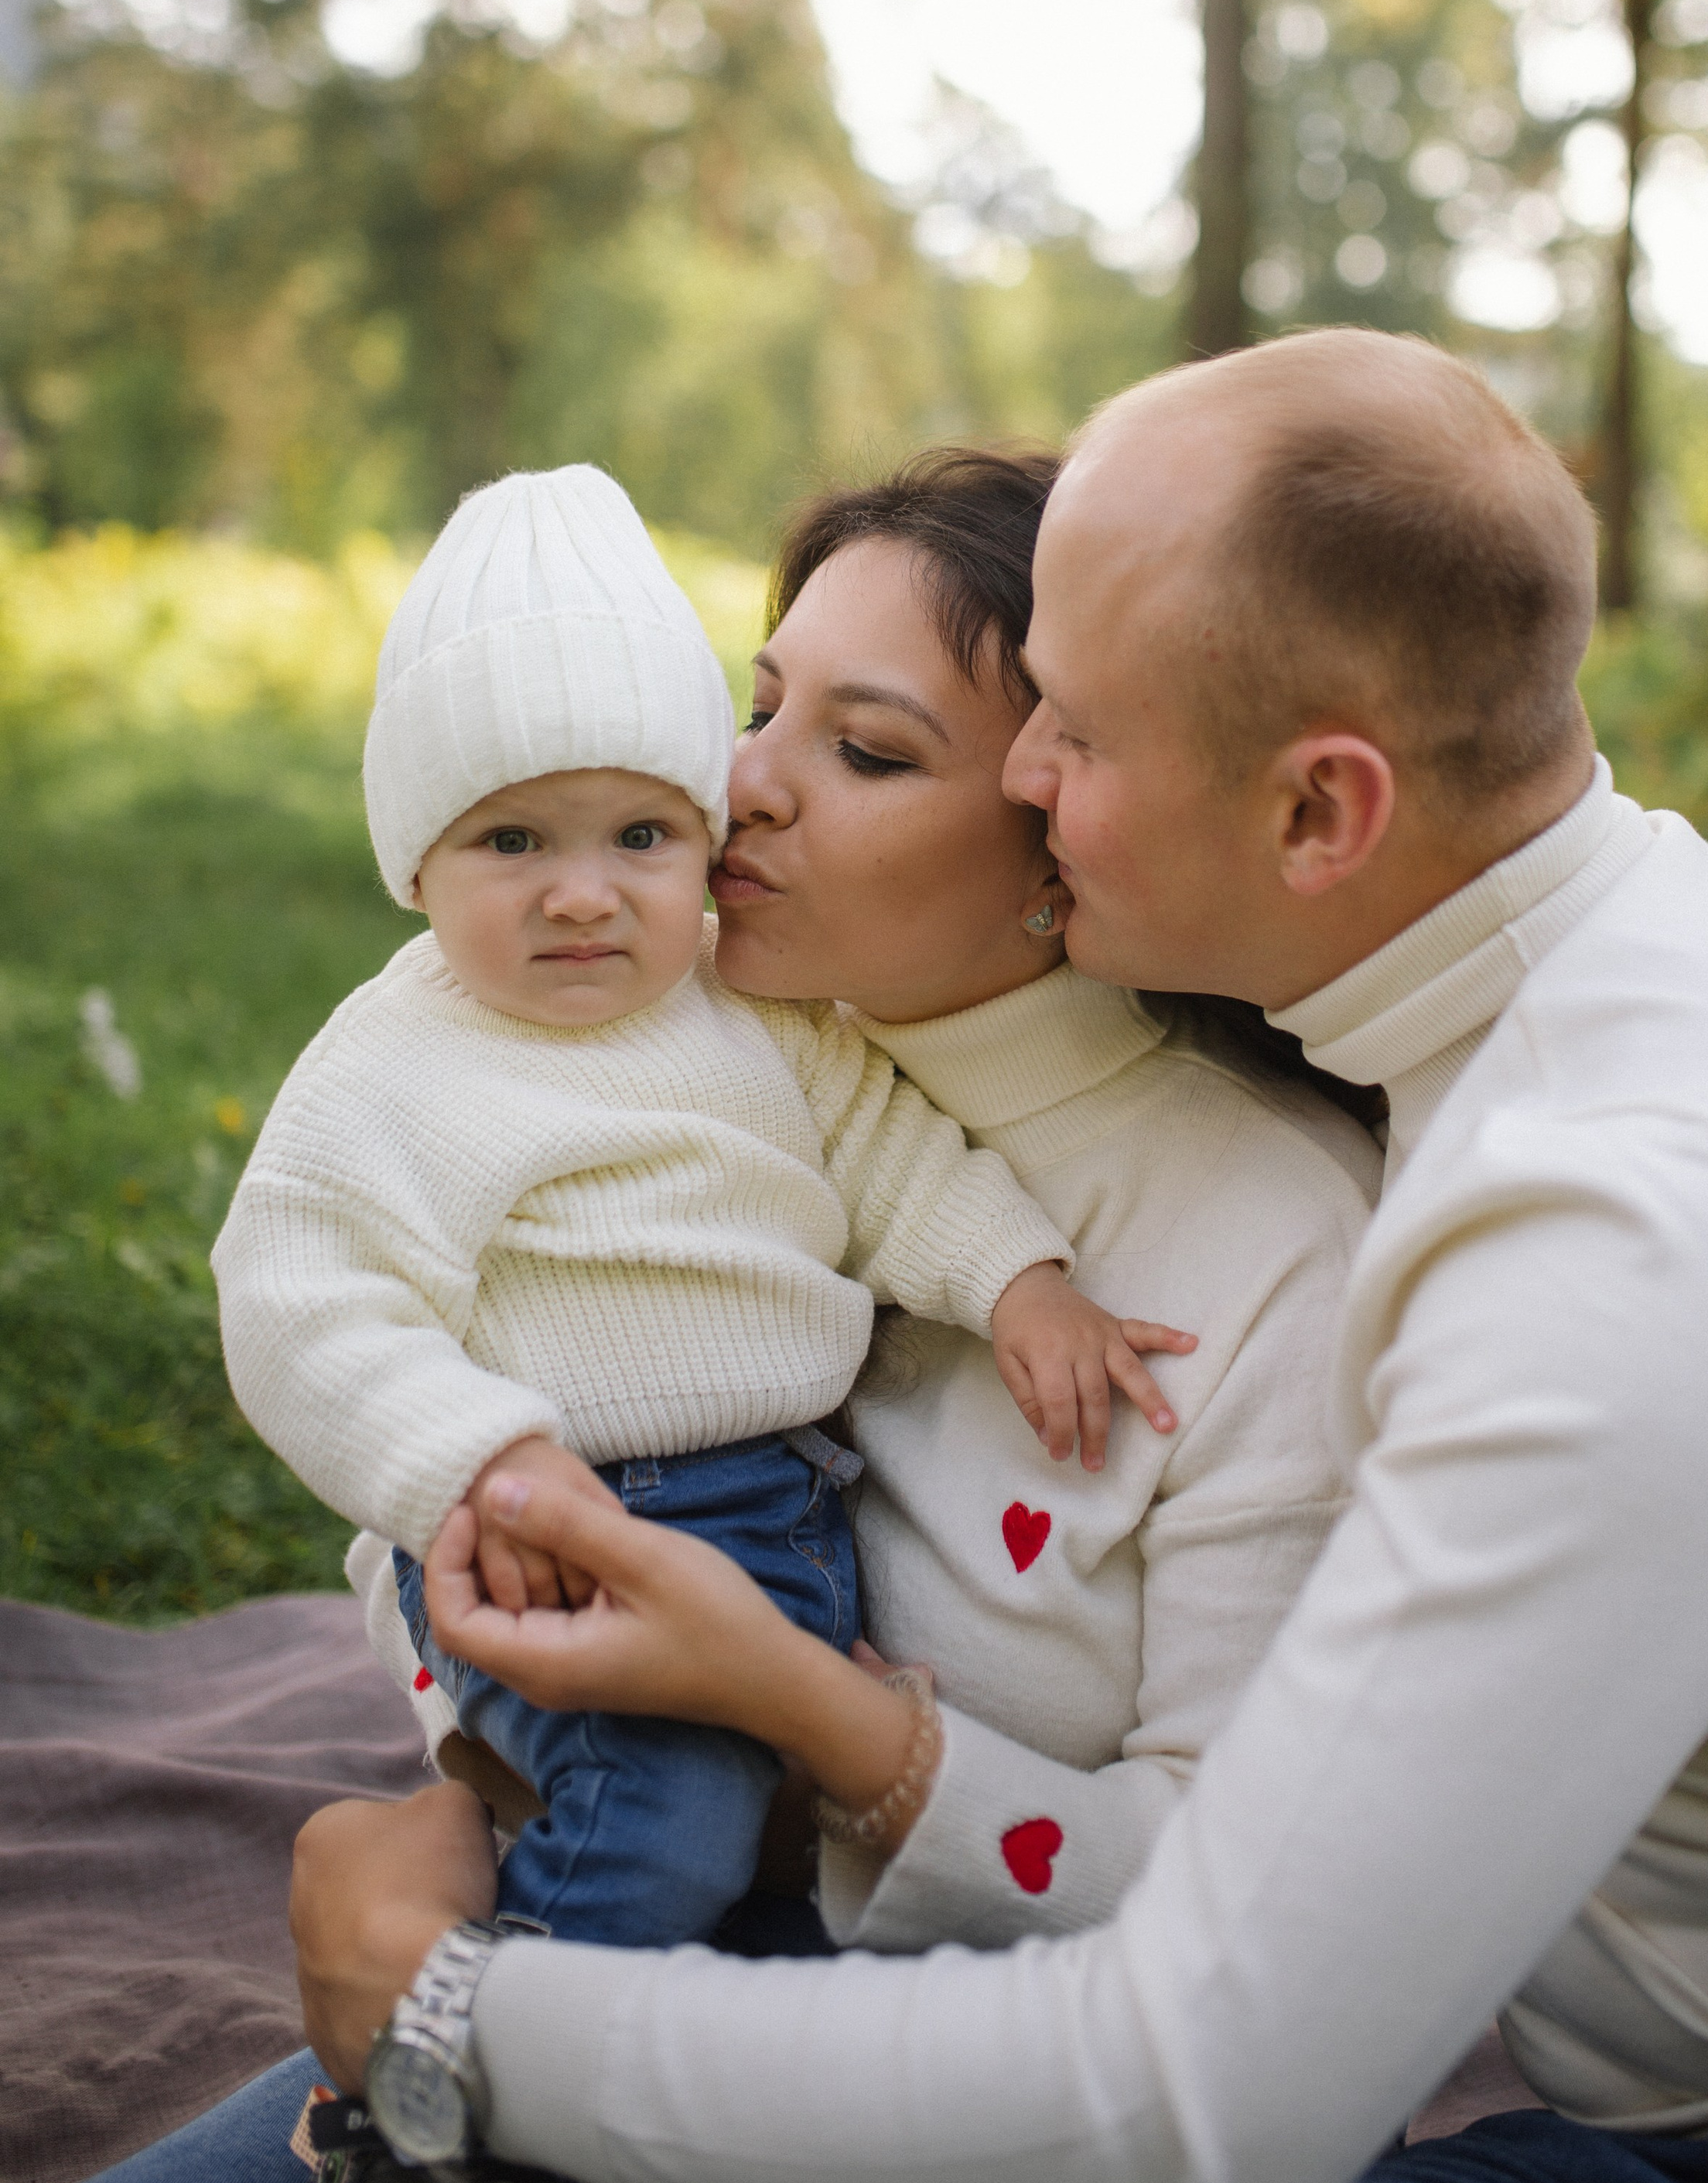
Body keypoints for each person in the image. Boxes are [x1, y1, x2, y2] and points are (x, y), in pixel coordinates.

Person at [272, 327, 1708, 2183]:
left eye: (1068, 735)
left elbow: (1180, 2106)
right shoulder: (798, 1076)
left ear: (1317, 814)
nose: (1023, 772)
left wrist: (449, 2012)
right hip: (1555, 2112)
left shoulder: (1622, 1229)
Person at [28, 441, 1376, 2183]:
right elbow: (393, 1410)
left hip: (943, 2062)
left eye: (865, 750)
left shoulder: (1266, 1251)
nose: (736, 785)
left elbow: (1235, 1919)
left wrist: (809, 1721)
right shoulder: (653, 1033)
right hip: (590, 1900)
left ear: (1066, 826)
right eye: (757, 706)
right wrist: (475, 1736)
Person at [212, 459, 1183, 1987]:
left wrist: (1020, 1281)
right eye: (512, 844)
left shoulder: (749, 1012)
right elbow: (302, 1295)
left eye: (642, 838)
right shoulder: (405, 1055)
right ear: (414, 863)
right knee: (658, 1815)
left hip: (780, 1512)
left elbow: (889, 1160)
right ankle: (474, 2063)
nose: (581, 896)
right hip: (564, 1508)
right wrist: (473, 1462)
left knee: (742, 1827)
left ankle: (542, 2013)